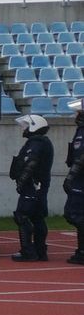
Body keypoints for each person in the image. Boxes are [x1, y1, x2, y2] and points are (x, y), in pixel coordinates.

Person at [9, 114, 53, 262]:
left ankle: (28, 251)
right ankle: (40, 251)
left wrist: (22, 181)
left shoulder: (36, 143)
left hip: (33, 185)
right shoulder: (41, 142)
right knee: (37, 217)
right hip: (39, 185)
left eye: (27, 125)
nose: (24, 128)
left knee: (23, 216)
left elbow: (31, 163)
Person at [63, 98, 84, 265]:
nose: (76, 115)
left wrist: (71, 176)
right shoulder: (80, 130)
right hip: (78, 178)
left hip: (80, 180)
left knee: (74, 213)